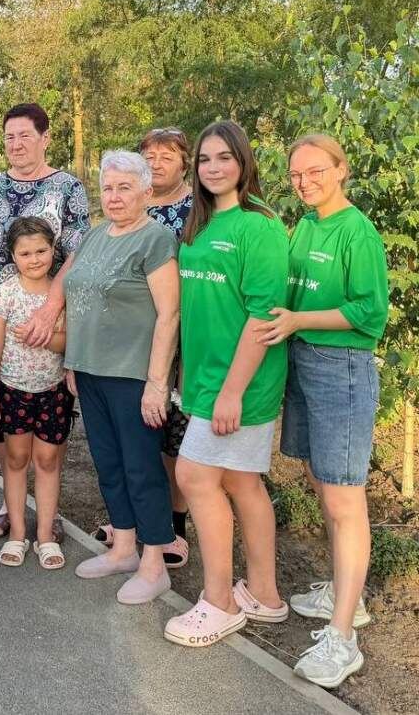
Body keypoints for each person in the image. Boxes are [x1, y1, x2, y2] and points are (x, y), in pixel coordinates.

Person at [254, 134, 388, 688]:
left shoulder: (357, 232)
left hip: (342, 368)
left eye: (315, 172)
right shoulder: (306, 225)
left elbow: (369, 312)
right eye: (296, 175)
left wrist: (299, 321)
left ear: (340, 170)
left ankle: (344, 637)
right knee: (318, 477)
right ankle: (342, 591)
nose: (304, 182)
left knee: (344, 497)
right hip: (305, 359)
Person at [163, 120, 290, 647]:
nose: (213, 168)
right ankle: (264, 594)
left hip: (241, 382)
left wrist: (232, 391)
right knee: (240, 482)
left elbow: (263, 317)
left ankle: (220, 603)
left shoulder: (259, 227)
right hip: (204, 377)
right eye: (205, 159)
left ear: (243, 162)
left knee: (193, 475)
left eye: (224, 158)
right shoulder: (199, 222)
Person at [0, 103, 91, 540]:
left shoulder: (68, 187)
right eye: (9, 137)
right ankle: (9, 501)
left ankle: (50, 514)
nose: (16, 145)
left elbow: (79, 251)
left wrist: (51, 307)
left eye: (25, 136)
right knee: (5, 416)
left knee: (49, 424)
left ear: (45, 138)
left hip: (48, 315)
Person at [65, 151, 180, 603]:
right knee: (108, 464)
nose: (113, 196)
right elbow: (78, 300)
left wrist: (157, 383)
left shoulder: (155, 240)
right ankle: (124, 549)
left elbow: (169, 314)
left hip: (132, 375)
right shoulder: (95, 236)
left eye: (124, 188)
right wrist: (72, 362)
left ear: (147, 192)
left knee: (141, 467)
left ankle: (155, 565)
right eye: (108, 188)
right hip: (90, 371)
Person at [91, 129, 195, 569]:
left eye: (166, 155)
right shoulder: (105, 229)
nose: (156, 161)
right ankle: (127, 536)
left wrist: (158, 379)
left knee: (159, 450)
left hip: (162, 349)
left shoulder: (182, 221)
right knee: (119, 454)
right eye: (149, 154)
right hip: (110, 358)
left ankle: (165, 538)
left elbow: (171, 309)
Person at [0, 217, 72, 570]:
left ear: (53, 250)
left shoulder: (61, 296)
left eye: (41, 251)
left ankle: (45, 536)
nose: (34, 259)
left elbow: (70, 343)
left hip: (53, 392)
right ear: (13, 256)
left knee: (48, 461)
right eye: (25, 253)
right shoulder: (4, 294)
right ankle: (18, 533)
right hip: (13, 391)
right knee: (16, 460)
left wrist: (46, 337)